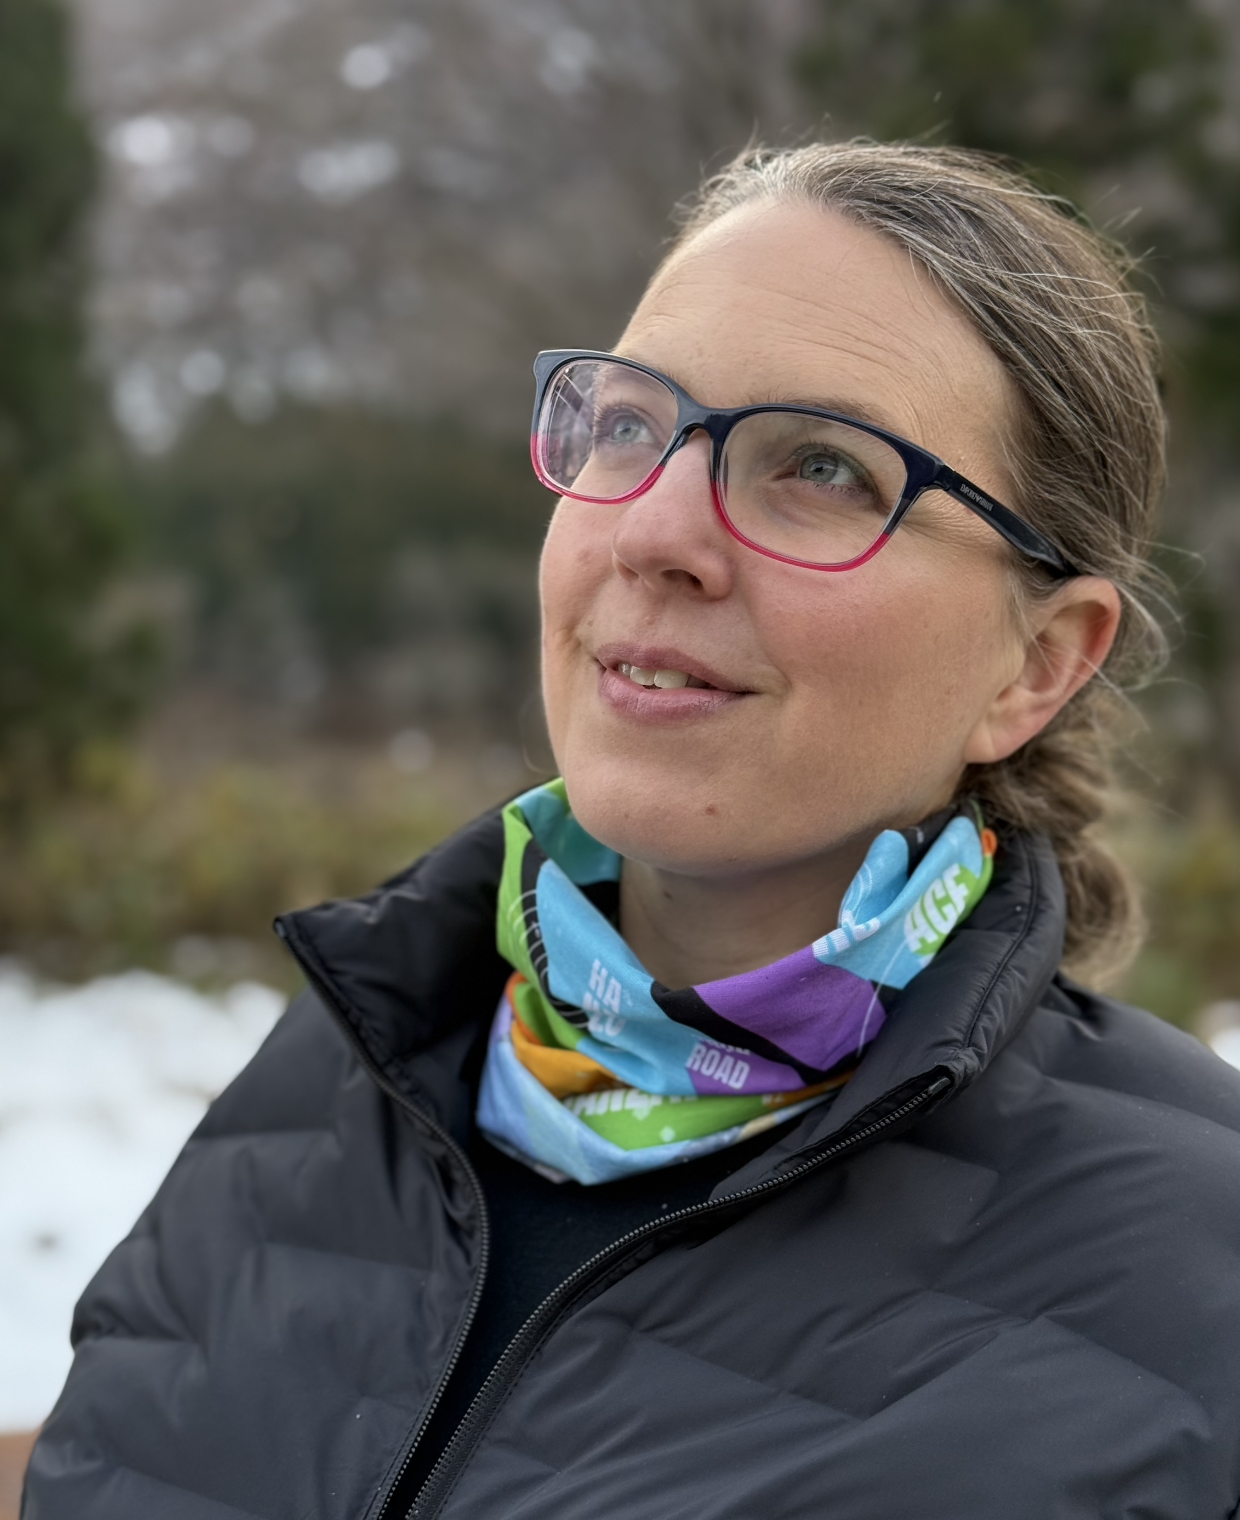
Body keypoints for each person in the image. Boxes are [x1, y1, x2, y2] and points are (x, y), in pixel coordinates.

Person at [23, 141, 1240, 1520]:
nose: (654, 529)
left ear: (1037, 666)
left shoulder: (1202, 1276)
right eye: (627, 426)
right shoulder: (329, 1095)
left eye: (826, 469)